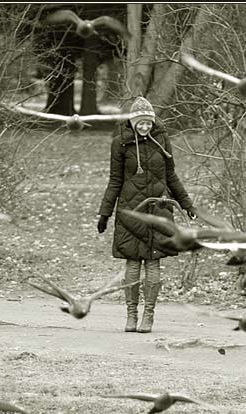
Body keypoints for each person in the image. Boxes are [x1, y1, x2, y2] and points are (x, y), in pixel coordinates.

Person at [97, 96, 197, 333]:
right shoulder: (120, 143)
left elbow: (171, 176)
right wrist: (105, 213)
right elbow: (115, 180)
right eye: (140, 123)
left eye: (148, 123)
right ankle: (131, 315)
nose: (144, 127)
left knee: (153, 261)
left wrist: (187, 204)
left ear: (152, 122)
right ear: (132, 122)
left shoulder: (162, 140)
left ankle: (148, 316)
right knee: (133, 260)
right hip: (131, 210)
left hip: (158, 210)